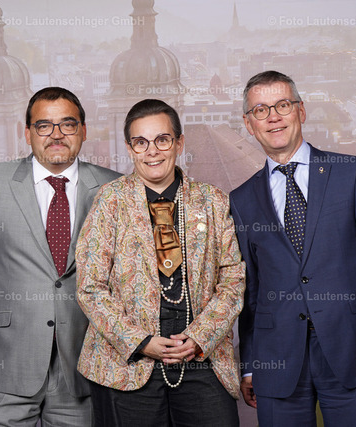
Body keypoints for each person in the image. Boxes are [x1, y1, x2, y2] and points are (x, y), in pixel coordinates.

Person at [230, 70, 356, 426]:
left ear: (301, 111)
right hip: (276, 361)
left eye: (282, 105)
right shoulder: (242, 199)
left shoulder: (352, 174)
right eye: (261, 110)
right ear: (249, 124)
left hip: (353, 352)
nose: (273, 117)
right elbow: (250, 293)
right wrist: (250, 365)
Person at [0, 87, 120, 426]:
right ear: (27, 134)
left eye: (67, 124)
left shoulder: (113, 188)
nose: (56, 134)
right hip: (5, 366)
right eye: (44, 126)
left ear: (83, 131)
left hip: (84, 368)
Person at [75, 99, 245, 426]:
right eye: (141, 142)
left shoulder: (212, 200)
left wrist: (199, 337)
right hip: (126, 364)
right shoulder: (109, 201)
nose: (152, 151)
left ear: (179, 143)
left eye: (162, 140)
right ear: (130, 149)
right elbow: (90, 288)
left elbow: (233, 282)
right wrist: (140, 342)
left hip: (201, 356)